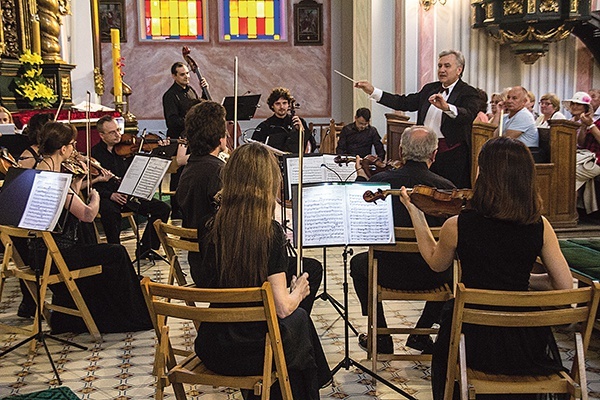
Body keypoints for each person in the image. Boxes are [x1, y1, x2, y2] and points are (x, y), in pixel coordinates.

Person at [398, 136, 573, 399]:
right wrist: (524, 280)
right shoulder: (540, 225)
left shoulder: (458, 225)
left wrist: (416, 213)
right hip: (523, 344)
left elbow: (436, 263)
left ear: (485, 175)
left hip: (471, 340)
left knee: (446, 336)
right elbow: (564, 286)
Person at [195, 143, 331, 400]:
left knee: (297, 328)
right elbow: (282, 307)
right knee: (299, 319)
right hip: (254, 351)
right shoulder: (269, 232)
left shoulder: (209, 226)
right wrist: (298, 291)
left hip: (214, 344)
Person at [33, 122, 152, 333]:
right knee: (116, 252)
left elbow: (67, 201)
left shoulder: (38, 171)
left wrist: (77, 183)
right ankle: (131, 315)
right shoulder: (55, 179)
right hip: (58, 255)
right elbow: (87, 215)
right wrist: (95, 197)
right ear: (62, 149)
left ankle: (79, 315)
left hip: (37, 252)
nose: (74, 149)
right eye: (72, 145)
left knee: (96, 246)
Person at [350, 125, 454, 354]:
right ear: (434, 153)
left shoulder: (380, 183)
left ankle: (380, 335)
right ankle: (423, 332)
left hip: (386, 272)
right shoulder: (446, 189)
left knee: (358, 264)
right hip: (434, 275)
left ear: (400, 150)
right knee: (455, 268)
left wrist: (361, 177)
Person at [355, 49, 479, 189]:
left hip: (451, 156)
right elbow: (404, 102)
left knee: (447, 195)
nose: (442, 70)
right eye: (439, 66)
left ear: (459, 69)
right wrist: (373, 91)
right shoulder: (430, 89)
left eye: (447, 66)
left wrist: (447, 107)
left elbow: (468, 114)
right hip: (423, 155)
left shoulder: (469, 92)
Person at [91, 115, 171, 255]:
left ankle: (146, 248)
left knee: (162, 208)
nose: (118, 135)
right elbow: (92, 186)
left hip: (129, 196)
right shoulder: (94, 154)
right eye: (112, 132)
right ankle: (115, 252)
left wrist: (157, 150)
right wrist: (111, 195)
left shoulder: (127, 151)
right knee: (110, 212)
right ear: (102, 135)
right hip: (108, 198)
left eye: (118, 130)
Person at [176, 100, 227, 285]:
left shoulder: (189, 169)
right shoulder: (219, 171)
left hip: (197, 266)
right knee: (309, 269)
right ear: (220, 137)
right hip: (220, 269)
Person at [162, 61, 209, 218]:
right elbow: (172, 120)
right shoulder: (170, 95)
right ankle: (177, 209)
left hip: (192, 137)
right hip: (179, 139)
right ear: (174, 76)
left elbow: (199, 107)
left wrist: (204, 92)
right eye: (182, 74)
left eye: (188, 73)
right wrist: (193, 120)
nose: (187, 76)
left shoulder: (191, 91)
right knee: (179, 174)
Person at [565, 91, 600, 214]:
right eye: (573, 104)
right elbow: (582, 143)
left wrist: (590, 125)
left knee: (569, 174)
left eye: (578, 104)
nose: (574, 107)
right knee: (565, 167)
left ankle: (568, 212)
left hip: (596, 160)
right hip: (586, 156)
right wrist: (584, 126)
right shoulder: (577, 120)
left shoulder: (595, 121)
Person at [252, 87, 317, 153]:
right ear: (272, 106)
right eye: (277, 104)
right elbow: (254, 149)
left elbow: (312, 145)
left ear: (289, 105)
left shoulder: (299, 121)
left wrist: (302, 130)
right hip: (273, 162)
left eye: (284, 103)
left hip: (295, 160)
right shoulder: (265, 126)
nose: (282, 107)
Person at [498, 86, 541, 162]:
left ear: (524, 101)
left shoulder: (524, 115)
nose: (509, 101)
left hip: (524, 157)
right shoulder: (505, 117)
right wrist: (499, 111)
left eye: (514, 98)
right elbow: (493, 134)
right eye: (508, 97)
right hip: (511, 154)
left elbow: (506, 139)